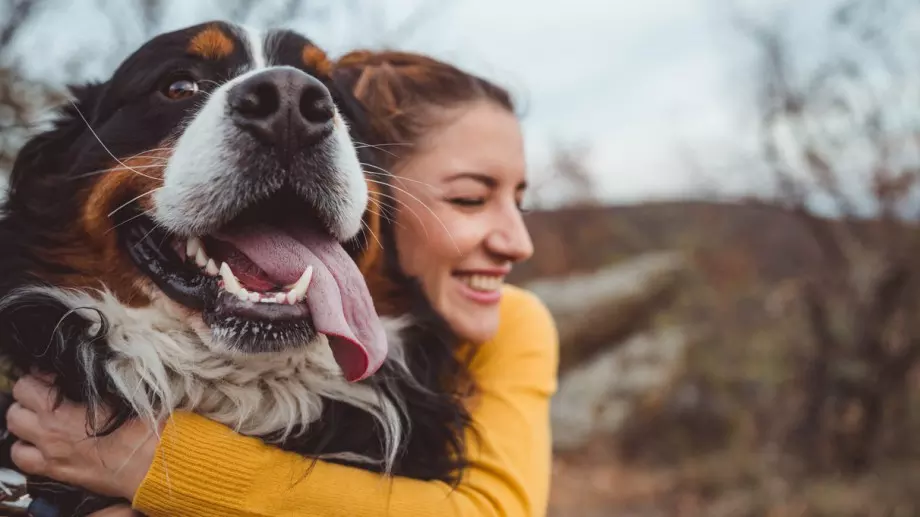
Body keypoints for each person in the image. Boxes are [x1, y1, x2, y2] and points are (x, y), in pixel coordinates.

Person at [6, 50, 559, 517]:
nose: (519, 242)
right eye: (468, 199)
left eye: (520, 200)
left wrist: (154, 464)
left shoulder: (515, 319)